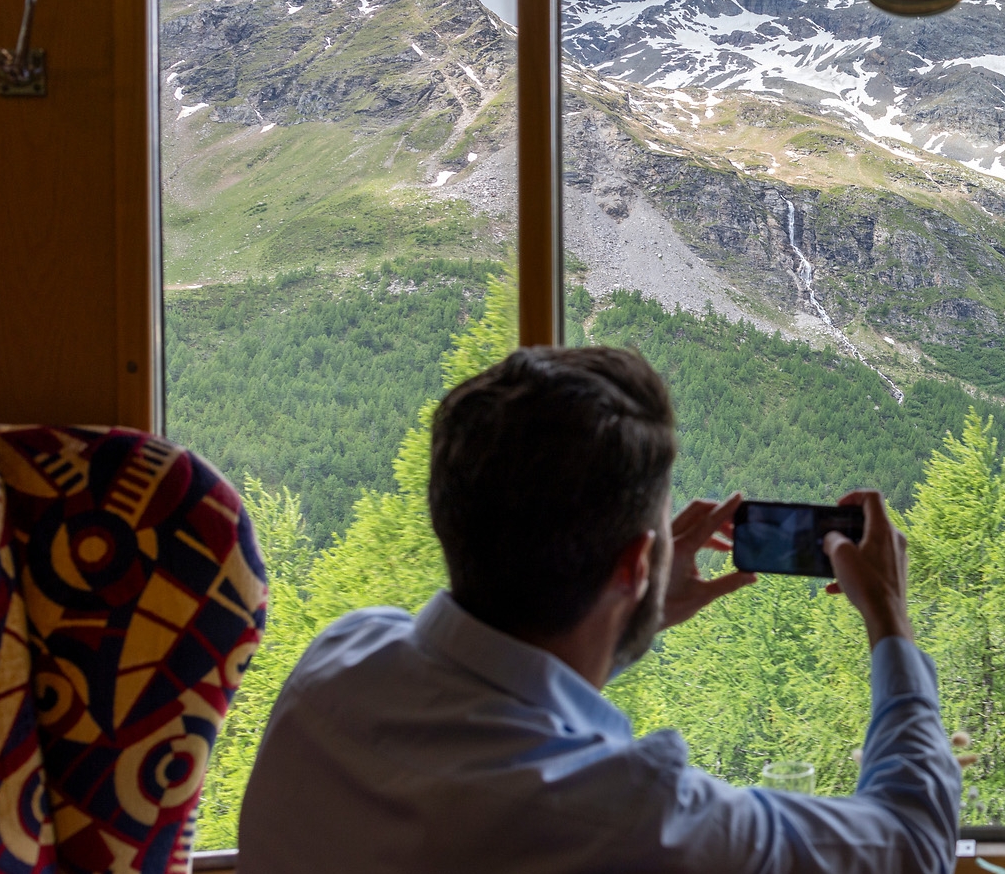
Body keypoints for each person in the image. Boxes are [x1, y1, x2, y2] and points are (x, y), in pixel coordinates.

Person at [239, 346, 962, 873]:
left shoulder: (339, 660)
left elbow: (494, 702)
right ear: (637, 565)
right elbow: (912, 842)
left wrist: (625, 619)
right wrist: (890, 621)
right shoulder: (626, 821)